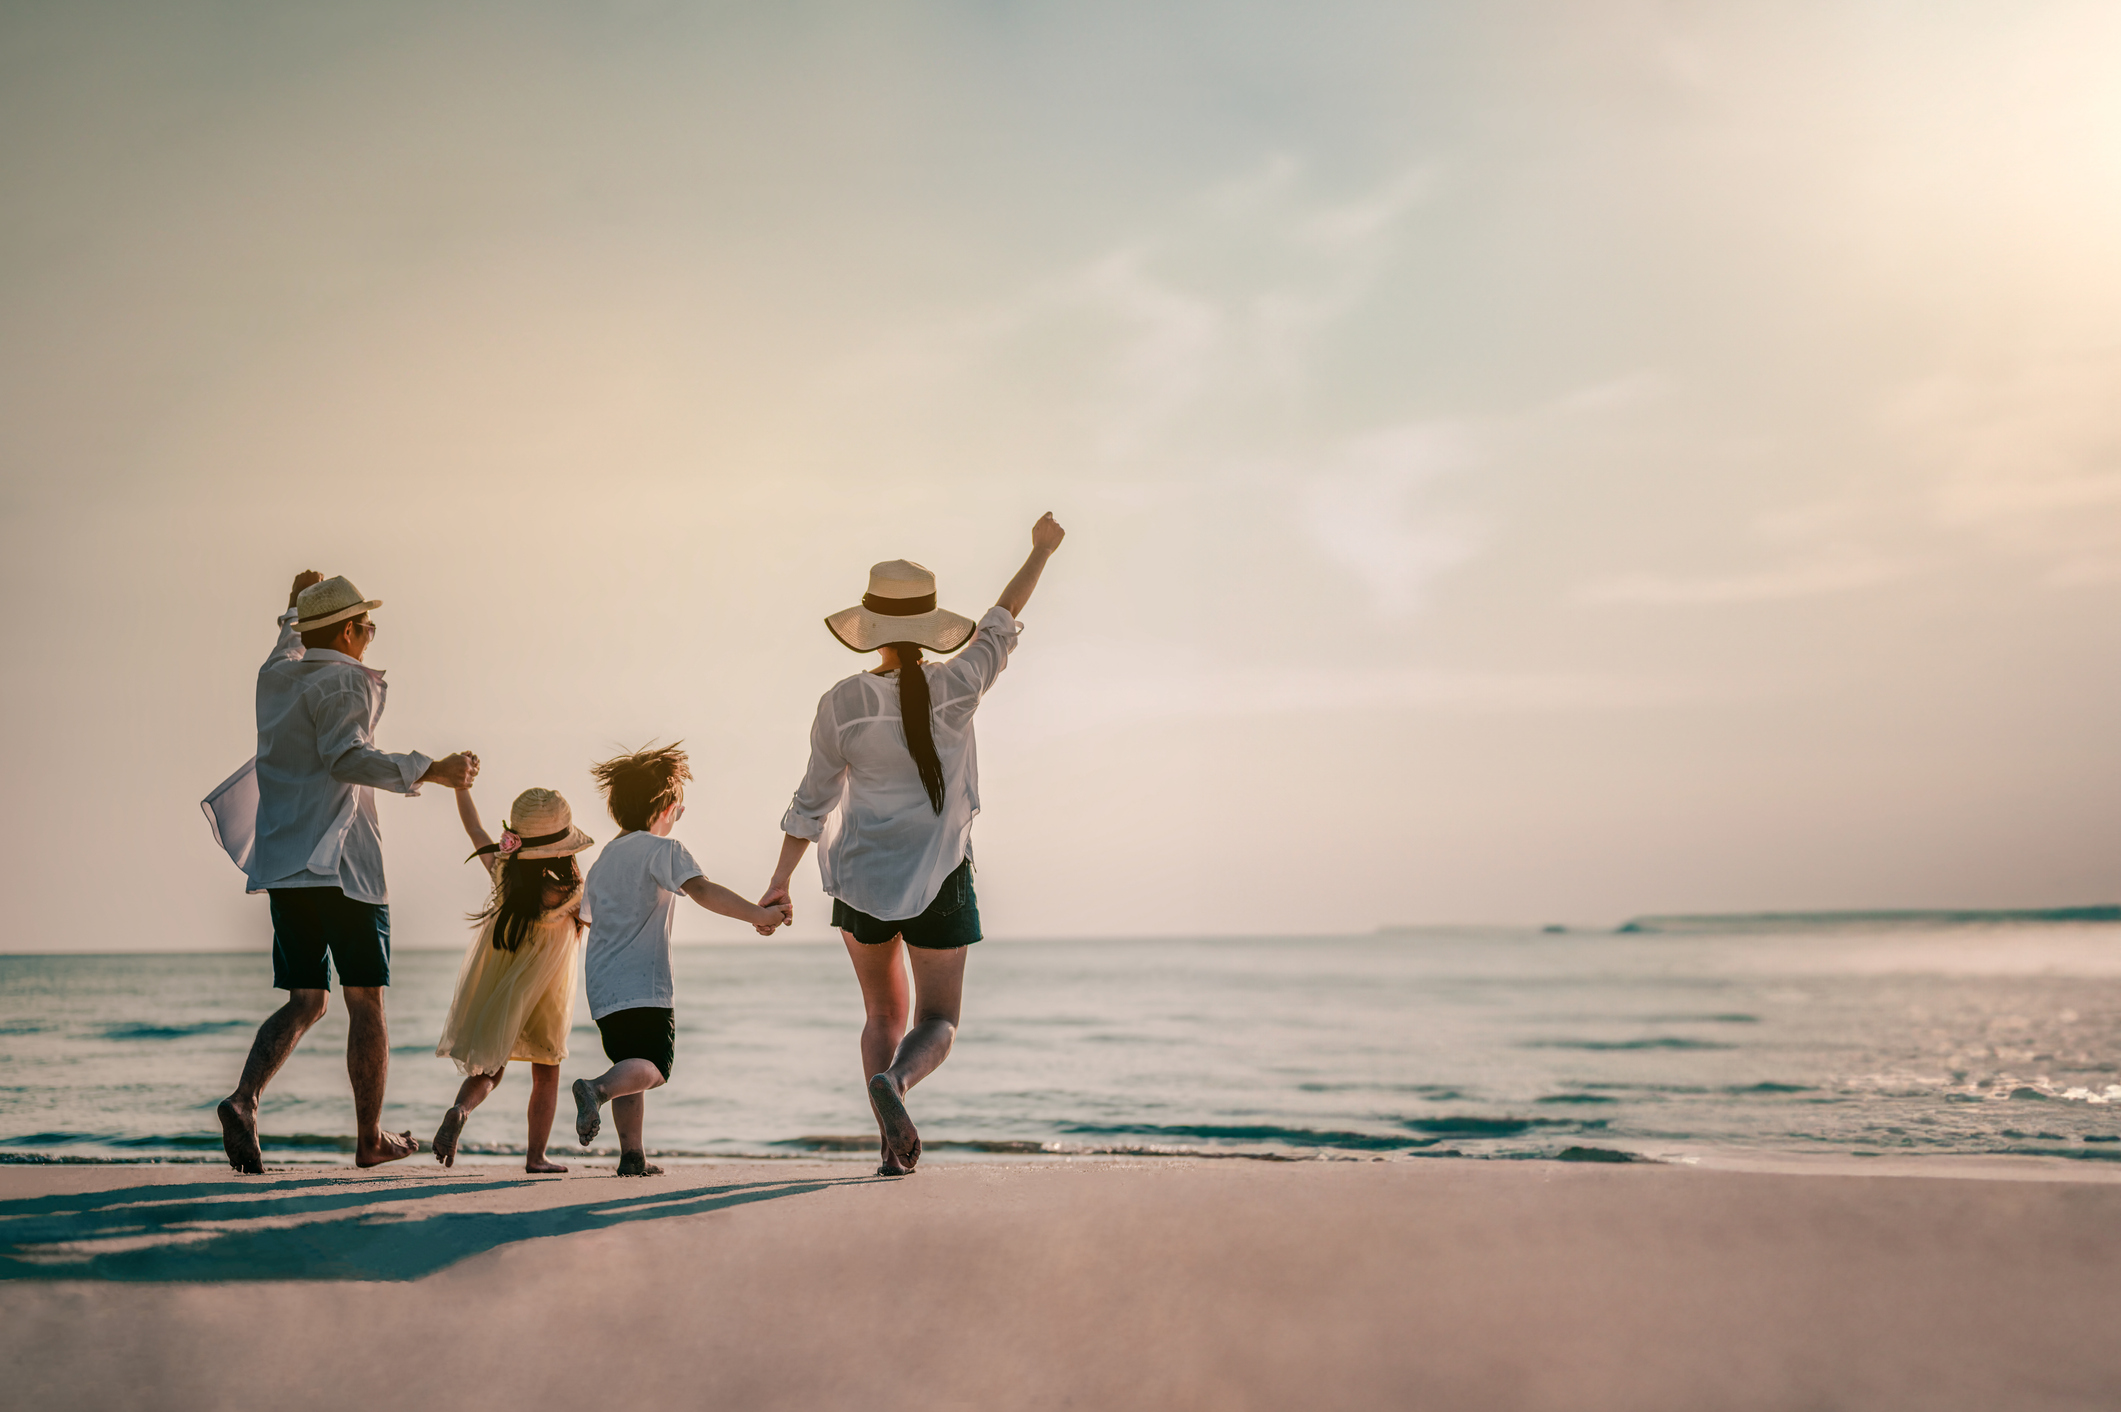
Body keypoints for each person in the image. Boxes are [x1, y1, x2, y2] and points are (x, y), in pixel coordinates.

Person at [761, 513, 1065, 1176]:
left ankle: (887, 1148)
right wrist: (1039, 549)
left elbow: (810, 802)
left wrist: (779, 881)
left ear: (869, 625)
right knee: (937, 1020)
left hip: (860, 877)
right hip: (941, 873)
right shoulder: (958, 684)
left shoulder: (841, 702)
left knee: (880, 1014)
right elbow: (1002, 617)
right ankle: (897, 1086)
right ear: (928, 623)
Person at [216, 571, 480, 1174]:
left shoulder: (277, 676)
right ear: (347, 630)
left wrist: (292, 610)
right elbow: (346, 758)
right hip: (340, 865)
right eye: (368, 626)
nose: (371, 636)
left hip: (285, 863)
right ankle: (369, 1140)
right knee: (366, 1000)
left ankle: (244, 1098)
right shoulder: (345, 680)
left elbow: (288, 644)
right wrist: (429, 768)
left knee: (306, 999)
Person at [570, 743, 793, 1176]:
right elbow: (705, 892)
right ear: (666, 808)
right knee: (654, 1067)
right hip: (644, 984)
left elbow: (590, 919)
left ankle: (631, 1157)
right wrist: (759, 914)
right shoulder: (663, 849)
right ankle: (595, 1090)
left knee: (628, 1068)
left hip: (602, 987)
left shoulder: (602, 862)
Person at [430, 786, 595, 1172]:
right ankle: (536, 1157)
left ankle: (460, 1109)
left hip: (502, 991)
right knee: (546, 1074)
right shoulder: (574, 895)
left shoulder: (505, 875)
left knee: (490, 1070)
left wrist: (462, 787)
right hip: (548, 1001)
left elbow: (473, 829)